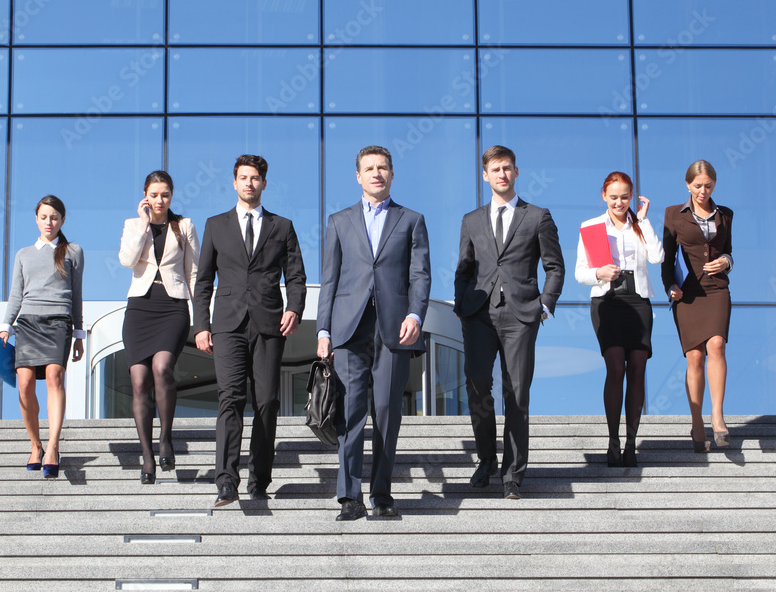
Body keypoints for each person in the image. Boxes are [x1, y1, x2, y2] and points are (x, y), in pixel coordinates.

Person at [317, 145, 430, 521]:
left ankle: (382, 494)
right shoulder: (338, 221)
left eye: (383, 168)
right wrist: (323, 330)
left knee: (385, 411)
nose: (376, 173)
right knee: (351, 411)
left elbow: (419, 275)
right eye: (369, 168)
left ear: (392, 174)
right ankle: (350, 497)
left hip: (396, 327)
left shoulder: (411, 219)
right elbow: (329, 280)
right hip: (349, 327)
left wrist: (416, 314)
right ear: (358, 176)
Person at [193, 155, 306, 506]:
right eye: (243, 177)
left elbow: (297, 276)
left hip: (269, 323)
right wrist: (201, 326)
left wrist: (295, 308)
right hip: (227, 324)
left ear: (264, 183)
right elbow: (203, 281)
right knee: (230, 398)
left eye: (255, 178)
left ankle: (260, 479)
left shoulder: (282, 226)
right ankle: (226, 480)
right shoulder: (215, 225)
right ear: (234, 182)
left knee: (268, 401)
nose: (249, 183)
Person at [454, 145, 564, 500]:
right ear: (484, 176)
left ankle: (513, 473)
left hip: (520, 316)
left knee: (516, 393)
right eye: (495, 169)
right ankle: (486, 459)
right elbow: (464, 269)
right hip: (479, 315)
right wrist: (461, 305)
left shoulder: (537, 216)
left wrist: (545, 304)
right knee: (478, 386)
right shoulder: (471, 220)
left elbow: (554, 266)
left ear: (516, 172)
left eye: (507, 168)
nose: (502, 174)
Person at [575, 172, 663, 468]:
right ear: (604, 195)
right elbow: (580, 273)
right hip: (608, 301)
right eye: (613, 197)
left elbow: (657, 258)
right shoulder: (591, 227)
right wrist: (600, 273)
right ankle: (613, 440)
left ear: (632, 196)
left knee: (637, 368)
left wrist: (645, 220)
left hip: (638, 301)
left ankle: (630, 444)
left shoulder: (640, 226)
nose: (619, 202)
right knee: (616, 366)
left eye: (625, 197)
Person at [118, 171, 200, 484]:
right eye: (154, 195)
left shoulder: (185, 225)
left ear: (171, 195)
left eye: (164, 194)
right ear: (145, 196)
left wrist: (203, 317)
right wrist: (142, 224)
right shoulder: (132, 225)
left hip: (173, 306)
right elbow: (127, 260)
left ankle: (166, 437)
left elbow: (194, 272)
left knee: (162, 369)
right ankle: (148, 457)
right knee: (139, 382)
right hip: (140, 307)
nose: (159, 200)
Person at [0, 195, 84, 480]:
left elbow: (77, 296)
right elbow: (15, 295)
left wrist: (79, 333)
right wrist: (5, 325)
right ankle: (35, 445)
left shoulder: (73, 251)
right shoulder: (23, 254)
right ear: (36, 219)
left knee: (54, 378)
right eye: (44, 216)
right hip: (28, 324)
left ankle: (52, 447)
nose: (49, 222)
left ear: (62, 220)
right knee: (23, 385)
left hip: (59, 322)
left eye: (55, 217)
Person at [661, 160, 734, 452]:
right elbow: (667, 259)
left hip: (717, 290)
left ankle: (717, 416)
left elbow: (729, 250)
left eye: (708, 186)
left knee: (716, 345)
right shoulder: (672, 215)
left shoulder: (726, 215)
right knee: (694, 357)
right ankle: (697, 423)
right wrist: (670, 287)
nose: (703, 191)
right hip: (687, 294)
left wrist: (727, 261)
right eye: (697, 186)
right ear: (688, 184)